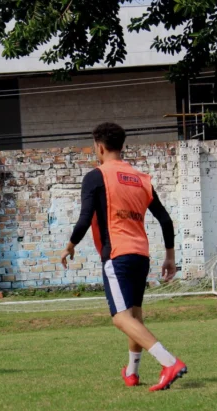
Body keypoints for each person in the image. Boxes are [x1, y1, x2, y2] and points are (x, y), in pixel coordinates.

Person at [60, 122, 184, 392]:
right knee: (134, 317)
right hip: (141, 255)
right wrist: (170, 257)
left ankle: (169, 362)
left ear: (100, 147)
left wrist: (70, 245)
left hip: (117, 255)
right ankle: (132, 372)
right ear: (121, 146)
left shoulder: (96, 176)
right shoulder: (141, 178)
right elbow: (165, 220)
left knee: (120, 317)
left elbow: (84, 219)